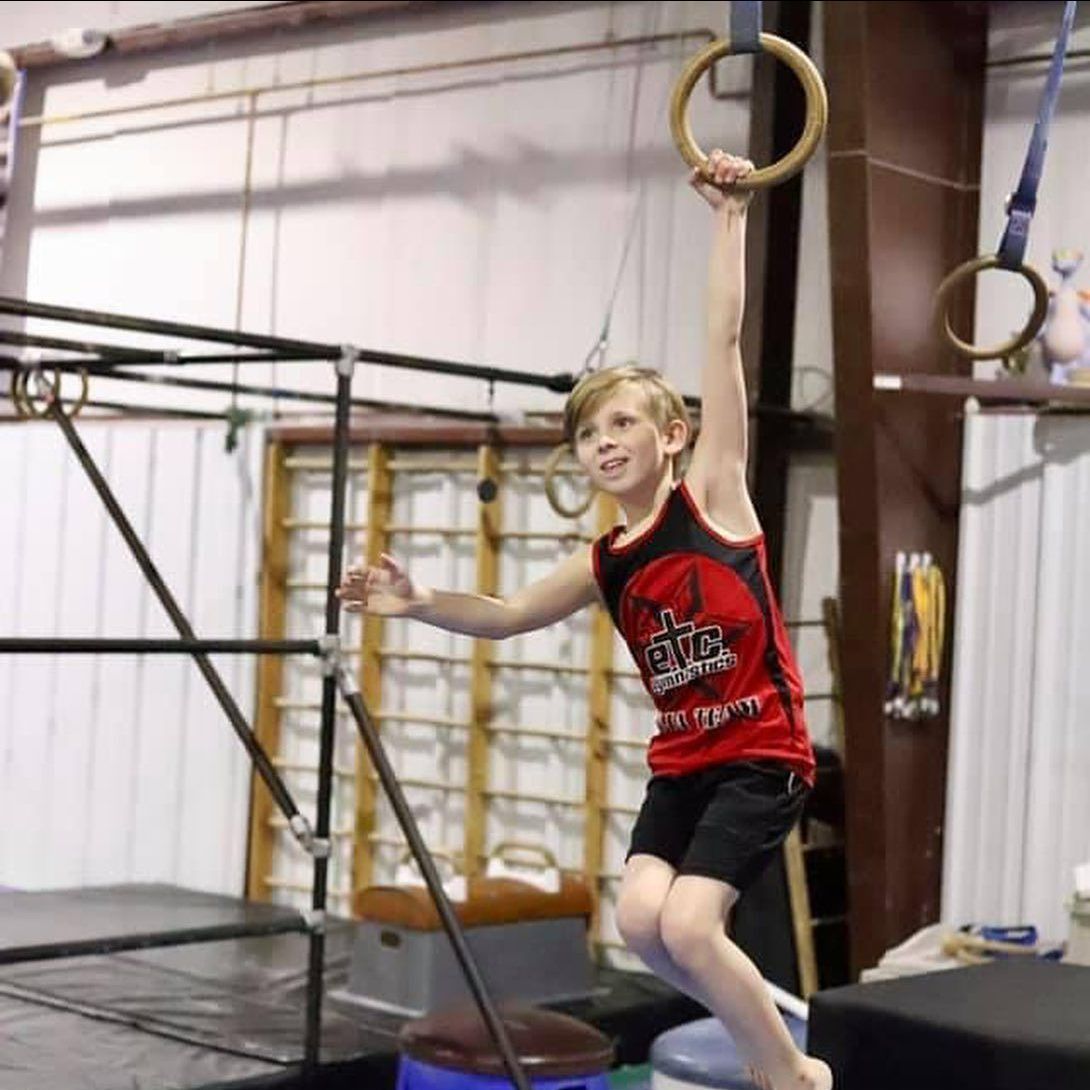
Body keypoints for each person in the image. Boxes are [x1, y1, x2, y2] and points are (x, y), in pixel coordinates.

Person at [338, 149, 832, 1090]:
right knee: (644, 923)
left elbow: (723, 349)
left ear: (672, 437)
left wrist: (730, 218)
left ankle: (790, 1075)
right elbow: (511, 613)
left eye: (621, 427)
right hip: (684, 765)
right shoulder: (605, 560)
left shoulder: (715, 500)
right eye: (588, 435)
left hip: (761, 757)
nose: (602, 444)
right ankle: (772, 1034)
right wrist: (420, 601)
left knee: (690, 923)